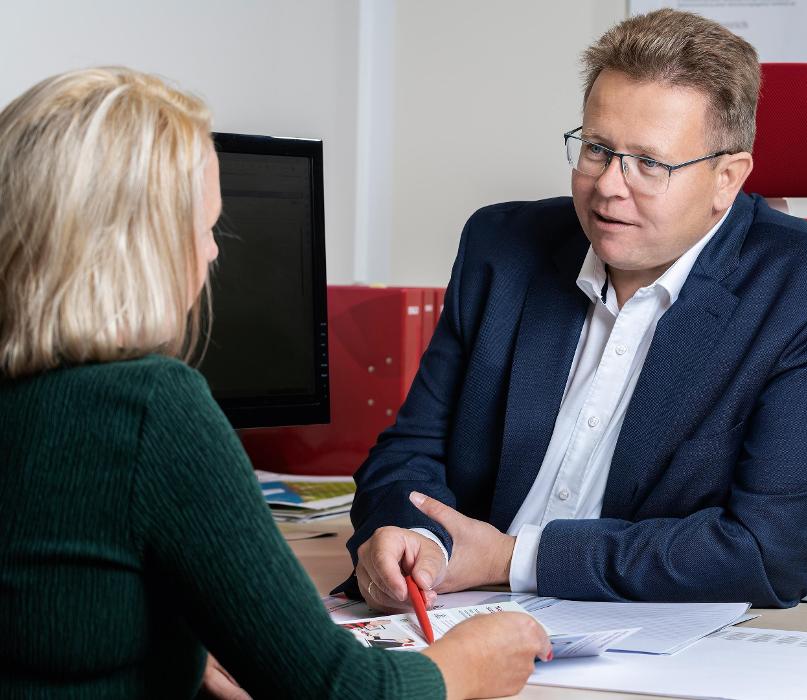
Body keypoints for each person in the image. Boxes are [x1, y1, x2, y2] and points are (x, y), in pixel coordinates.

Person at [0, 67, 550, 699]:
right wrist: (466, 663)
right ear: (138, 250)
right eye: (205, 229)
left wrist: (179, 652)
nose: (213, 253)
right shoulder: (150, 409)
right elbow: (337, 690)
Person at [344, 9, 807, 611]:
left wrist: (510, 559)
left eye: (650, 164)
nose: (608, 185)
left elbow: (769, 551)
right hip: (456, 611)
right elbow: (408, 453)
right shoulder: (501, 246)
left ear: (727, 179)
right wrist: (418, 539)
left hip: (651, 632)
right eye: (597, 149)